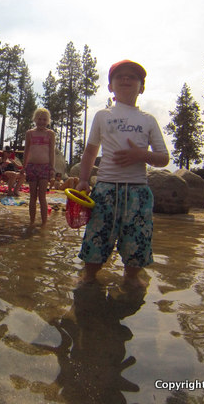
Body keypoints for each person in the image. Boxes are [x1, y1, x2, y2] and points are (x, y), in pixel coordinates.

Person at [75, 60, 169, 288]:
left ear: (142, 87)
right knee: (97, 237)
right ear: (110, 87)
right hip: (106, 188)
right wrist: (84, 180)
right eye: (120, 77)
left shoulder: (148, 120)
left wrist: (140, 155)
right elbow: (90, 151)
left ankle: (131, 277)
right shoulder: (102, 116)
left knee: (137, 240)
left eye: (133, 77)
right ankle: (89, 277)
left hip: (138, 190)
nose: (126, 79)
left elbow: (163, 157)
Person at [22, 108, 55, 225]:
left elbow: (51, 152)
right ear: (35, 119)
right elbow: (26, 151)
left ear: (48, 121)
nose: (41, 122)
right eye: (39, 119)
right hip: (32, 167)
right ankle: (31, 222)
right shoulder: (30, 133)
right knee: (32, 196)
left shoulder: (50, 134)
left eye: (44, 120)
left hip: (45, 167)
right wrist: (23, 167)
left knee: (42, 196)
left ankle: (44, 224)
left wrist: (52, 168)